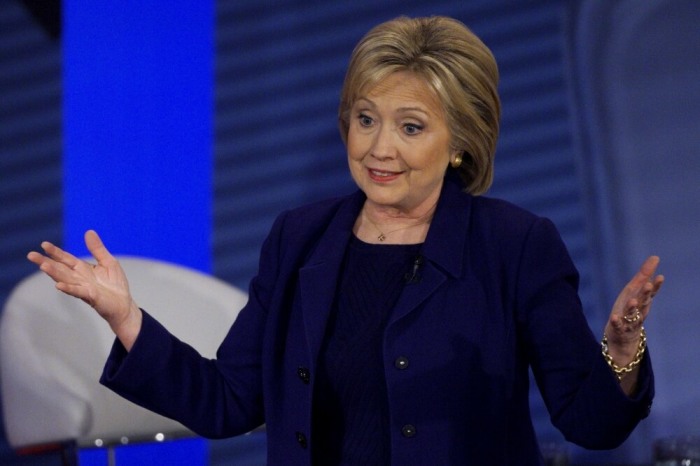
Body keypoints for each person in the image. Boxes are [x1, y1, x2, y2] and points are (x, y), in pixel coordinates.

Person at [27, 15, 664, 465]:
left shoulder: (515, 245)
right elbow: (228, 402)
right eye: (365, 119)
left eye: (410, 127)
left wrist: (622, 352)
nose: (378, 148)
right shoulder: (299, 240)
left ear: (461, 143)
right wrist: (128, 318)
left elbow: (593, 424)